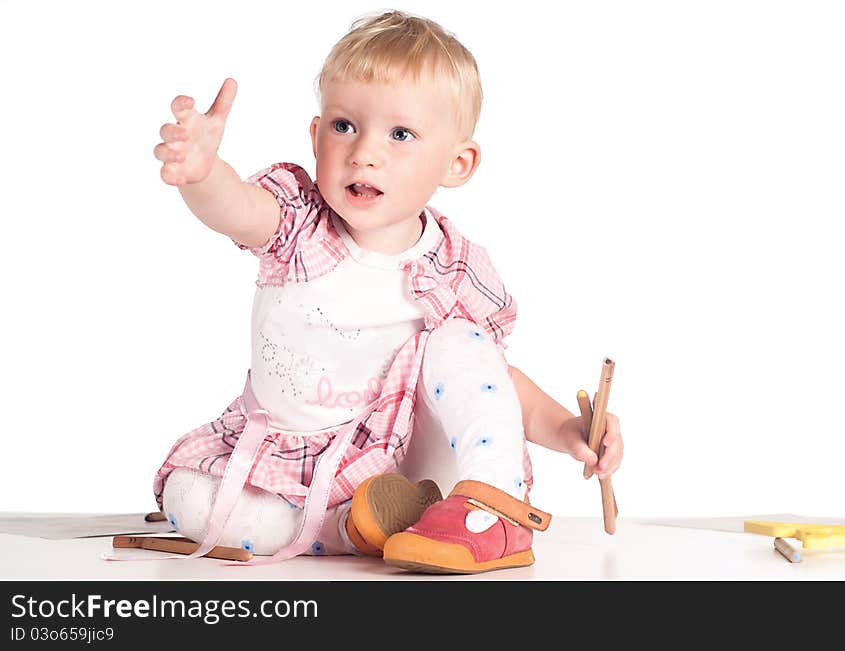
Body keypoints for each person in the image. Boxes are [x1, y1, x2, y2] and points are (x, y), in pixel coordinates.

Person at [151, 10, 623, 573]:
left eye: (399, 135)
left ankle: (491, 505)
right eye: (344, 126)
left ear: (457, 163)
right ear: (315, 135)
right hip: (299, 461)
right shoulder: (299, 225)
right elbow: (240, 211)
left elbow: (490, 378)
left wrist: (567, 430)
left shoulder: (452, 266)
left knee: (458, 339)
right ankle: (362, 527)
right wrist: (205, 176)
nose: (364, 152)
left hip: (415, 457)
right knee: (188, 495)